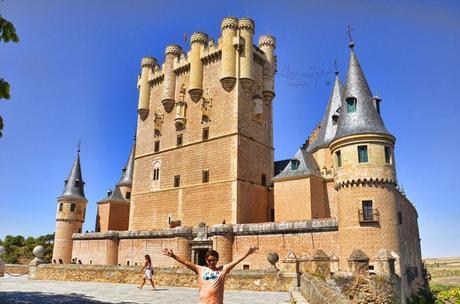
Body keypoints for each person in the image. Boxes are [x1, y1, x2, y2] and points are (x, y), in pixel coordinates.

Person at [162, 245, 258, 304]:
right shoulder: (200, 269)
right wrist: (173, 256)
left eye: (213, 260)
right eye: (209, 260)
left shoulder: (223, 270)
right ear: (206, 260)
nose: (211, 262)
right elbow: (186, 262)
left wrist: (248, 253)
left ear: (217, 260)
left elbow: (236, 261)